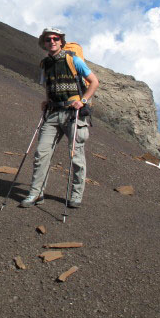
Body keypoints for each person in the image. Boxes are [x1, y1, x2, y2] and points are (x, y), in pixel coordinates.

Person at [20, 28, 99, 208]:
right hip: (54, 113)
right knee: (41, 152)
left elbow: (94, 82)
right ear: (44, 43)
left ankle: (76, 195)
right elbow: (48, 85)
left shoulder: (73, 60)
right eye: (49, 39)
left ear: (61, 41)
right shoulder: (45, 64)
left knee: (76, 156)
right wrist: (47, 101)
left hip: (73, 113)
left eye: (56, 38)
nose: (52, 41)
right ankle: (36, 192)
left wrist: (83, 100)